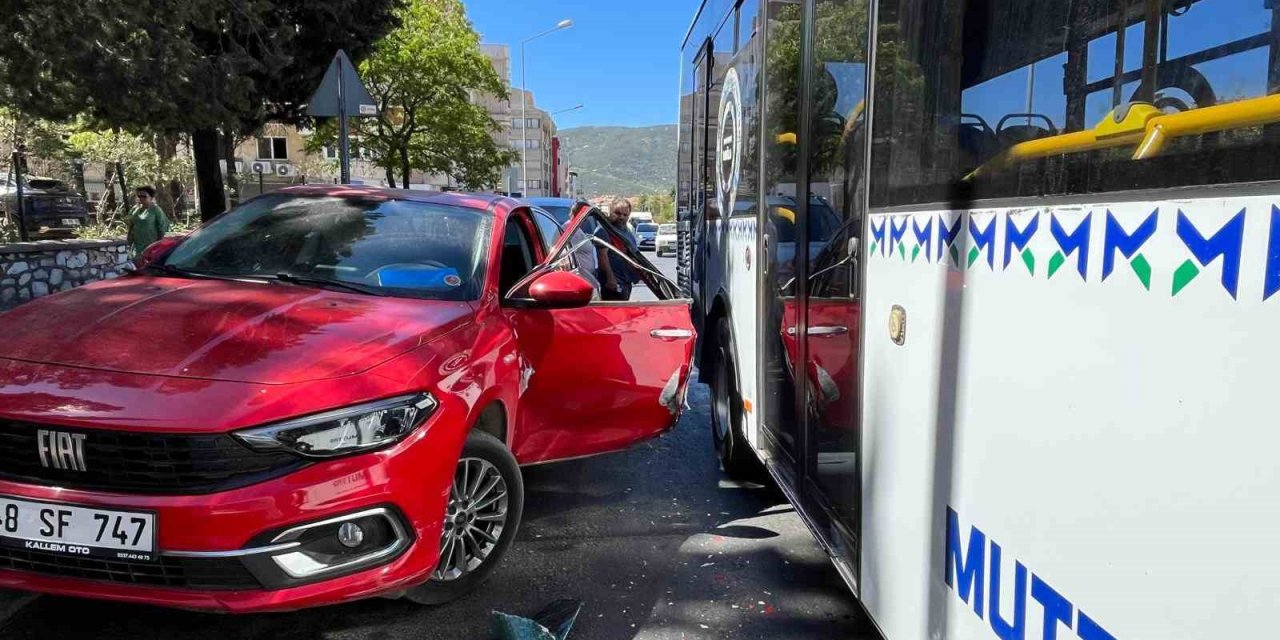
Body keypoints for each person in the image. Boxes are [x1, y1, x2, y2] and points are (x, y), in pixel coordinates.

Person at [596, 198, 640, 301]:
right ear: (611, 211)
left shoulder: (626, 232)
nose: (621, 217)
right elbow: (602, 256)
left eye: (625, 215)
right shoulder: (604, 230)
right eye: (618, 213)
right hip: (614, 283)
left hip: (626, 282)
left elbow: (633, 255)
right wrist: (610, 278)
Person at [125, 185, 170, 256]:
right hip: (136, 247)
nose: (141, 198)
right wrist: (129, 243)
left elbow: (162, 227)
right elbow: (130, 225)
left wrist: (158, 245)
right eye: (139, 196)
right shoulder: (135, 209)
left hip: (151, 246)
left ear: (151, 197)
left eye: (144, 196)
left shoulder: (156, 210)